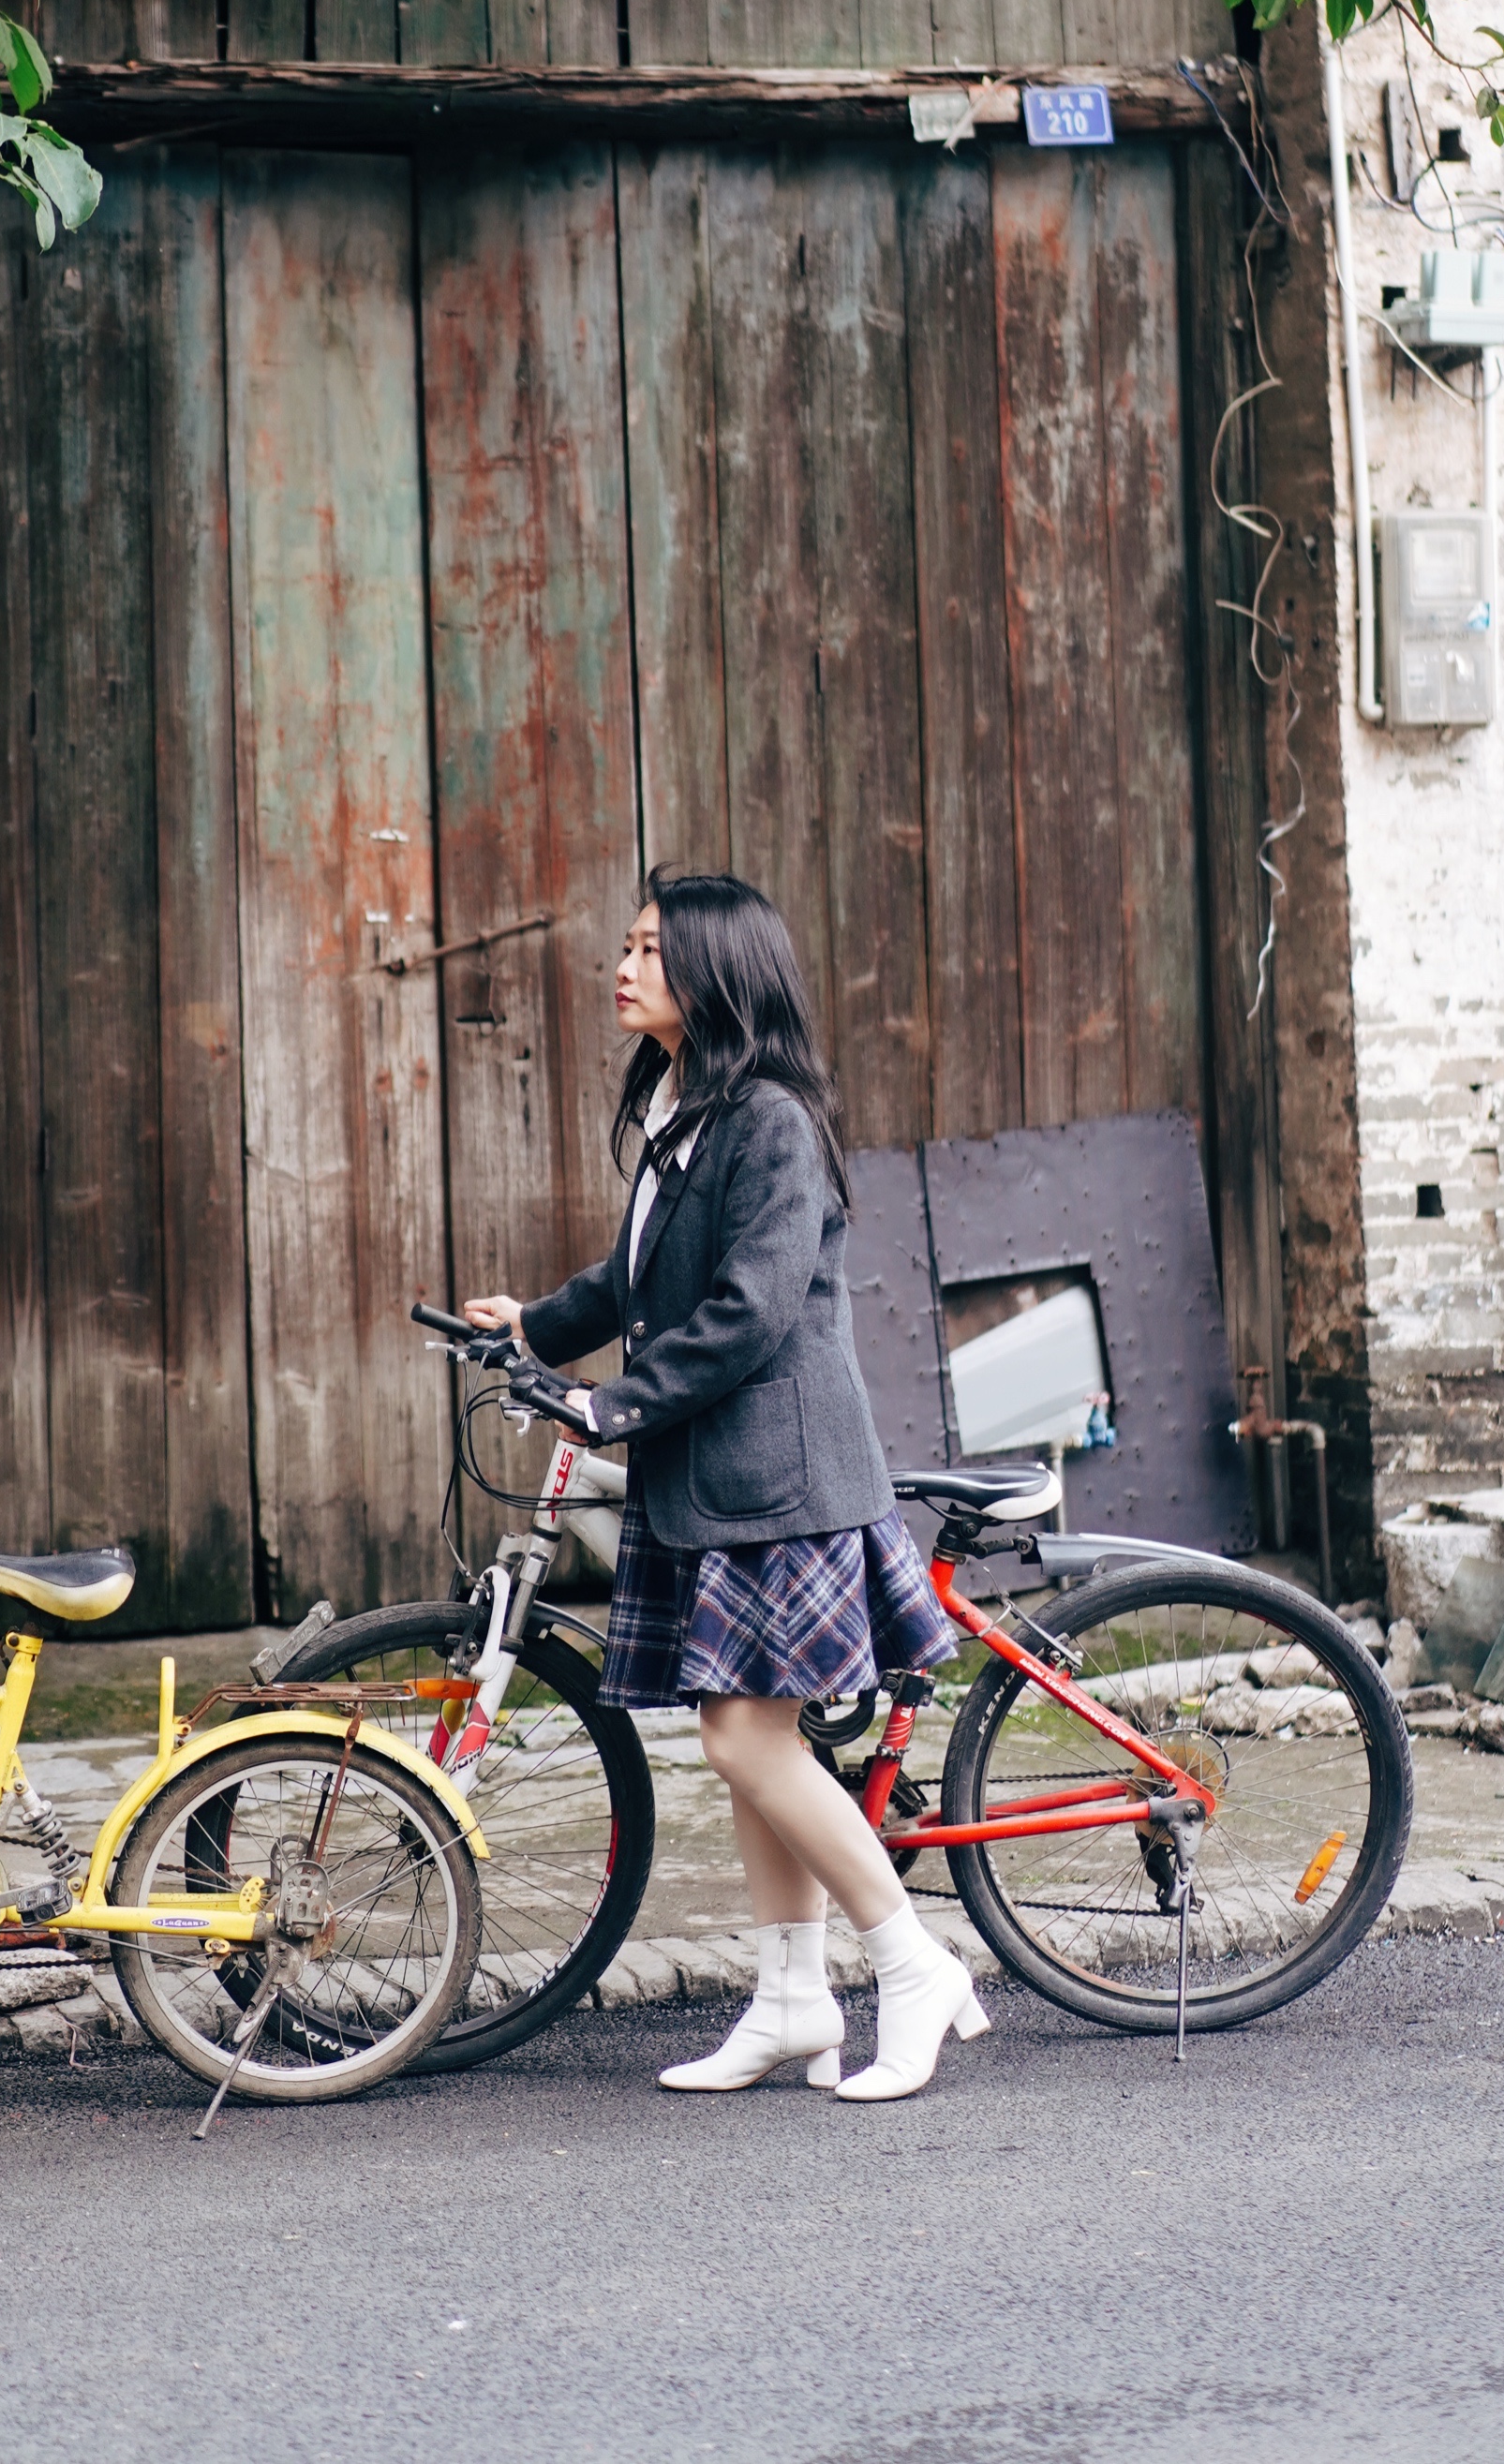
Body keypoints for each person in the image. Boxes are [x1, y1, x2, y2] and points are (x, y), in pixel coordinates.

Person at [463, 867, 977, 2102]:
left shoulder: (771, 1124)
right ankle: (793, 2001)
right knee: (752, 1740)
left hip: (776, 1481)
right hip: (713, 1480)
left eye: (648, 949)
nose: (623, 967)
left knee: (747, 1742)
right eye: (628, 947)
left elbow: (745, 1315)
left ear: (713, 971)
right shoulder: (687, 1112)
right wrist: (534, 1328)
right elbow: (641, 1282)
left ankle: (912, 1964)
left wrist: (609, 1404)